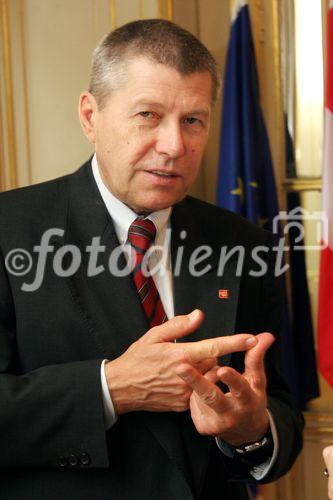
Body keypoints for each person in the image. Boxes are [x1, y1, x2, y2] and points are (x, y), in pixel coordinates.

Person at [0, 18, 303, 500]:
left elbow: (282, 406)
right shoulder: (9, 229)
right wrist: (111, 388)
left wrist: (250, 430)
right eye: (148, 115)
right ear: (89, 116)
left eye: (193, 120)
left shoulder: (246, 244)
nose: (174, 146)